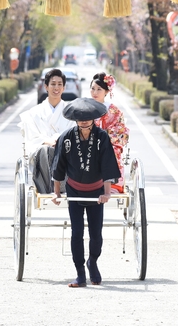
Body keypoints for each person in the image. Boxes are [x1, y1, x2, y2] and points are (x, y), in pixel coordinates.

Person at [51, 98, 121, 288]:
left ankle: (93, 262)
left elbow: (107, 165)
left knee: (96, 233)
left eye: (87, 118)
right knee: (76, 233)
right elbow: (58, 167)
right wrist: (57, 193)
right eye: (80, 118)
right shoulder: (65, 138)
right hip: (74, 190)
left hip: (96, 191)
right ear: (74, 119)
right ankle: (80, 273)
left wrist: (107, 193)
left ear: (93, 118)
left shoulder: (102, 137)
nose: (83, 121)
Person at [18, 68, 74, 193]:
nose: (56, 88)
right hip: (41, 151)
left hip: (65, 149)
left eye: (60, 84)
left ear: (64, 88)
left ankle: (64, 187)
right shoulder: (33, 113)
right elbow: (32, 137)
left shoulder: (71, 111)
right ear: (46, 87)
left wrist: (59, 141)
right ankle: (48, 188)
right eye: (53, 84)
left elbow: (74, 134)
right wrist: (48, 142)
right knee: (46, 150)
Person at [89, 72, 129, 193]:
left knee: (111, 151)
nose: (95, 92)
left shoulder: (113, 110)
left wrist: (103, 138)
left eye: (99, 89)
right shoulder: (86, 106)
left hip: (108, 142)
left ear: (106, 91)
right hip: (87, 140)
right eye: (92, 89)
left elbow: (119, 129)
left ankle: (112, 183)